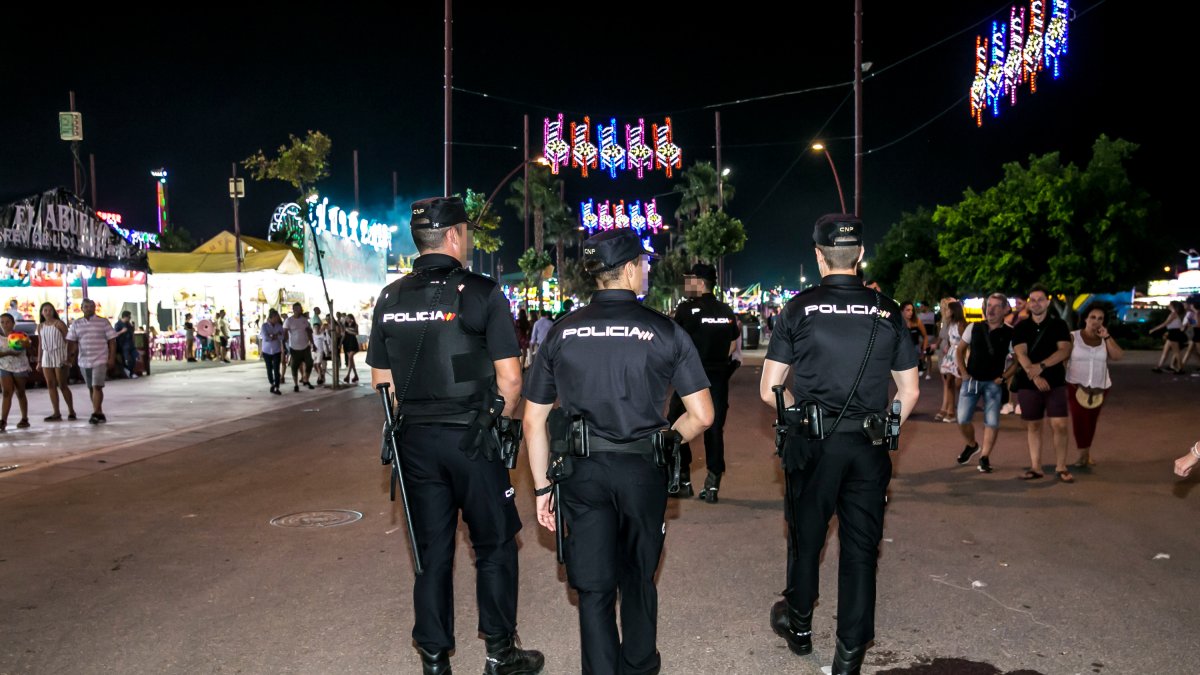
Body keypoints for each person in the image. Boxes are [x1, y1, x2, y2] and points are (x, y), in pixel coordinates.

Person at [524, 227, 714, 675]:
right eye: (642, 263)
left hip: (582, 472)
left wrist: (542, 489)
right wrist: (668, 440)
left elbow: (532, 421)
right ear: (629, 269)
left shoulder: (561, 332)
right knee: (638, 578)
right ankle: (640, 665)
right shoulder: (665, 331)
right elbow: (703, 415)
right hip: (642, 470)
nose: (645, 270)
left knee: (593, 588)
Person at [367, 196, 543, 675]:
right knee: (495, 545)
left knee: (431, 552)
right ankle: (500, 654)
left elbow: (383, 384)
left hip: (415, 443)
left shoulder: (390, 298)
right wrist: (497, 424)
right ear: (452, 236)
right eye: (464, 232)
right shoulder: (483, 293)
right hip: (473, 437)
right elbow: (510, 379)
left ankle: (434, 659)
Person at [759, 214, 919, 675]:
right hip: (868, 447)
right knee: (861, 550)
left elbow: (770, 389)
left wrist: (800, 415)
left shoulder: (798, 309)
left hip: (813, 445)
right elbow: (909, 391)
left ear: (818, 255)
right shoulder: (887, 311)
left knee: (806, 538)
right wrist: (883, 426)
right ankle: (849, 655)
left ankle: (800, 626)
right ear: (861, 254)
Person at [667, 262, 739, 503]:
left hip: (690, 378)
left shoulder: (686, 309)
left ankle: (683, 479)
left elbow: (674, 343)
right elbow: (732, 345)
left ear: (698, 282)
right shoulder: (726, 310)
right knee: (714, 428)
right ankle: (713, 483)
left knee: (677, 424)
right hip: (718, 377)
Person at [1012, 285, 1074, 483]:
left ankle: (1061, 467)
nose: (1036, 303)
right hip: (1029, 383)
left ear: (1047, 302)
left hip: (1055, 381)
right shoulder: (1021, 327)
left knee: (1060, 425)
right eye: (1032, 300)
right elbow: (1021, 353)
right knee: (1033, 425)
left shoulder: (1059, 325)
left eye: (1040, 299)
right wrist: (1035, 376)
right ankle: (1036, 467)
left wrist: (1042, 366)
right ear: (1028, 303)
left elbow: (1064, 350)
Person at [954, 294, 1017, 472]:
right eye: (989, 305)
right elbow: (959, 350)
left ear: (1005, 309)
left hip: (993, 383)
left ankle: (984, 457)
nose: (991, 309)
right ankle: (972, 445)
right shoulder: (974, 327)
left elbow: (1017, 361)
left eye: (996, 306)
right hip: (971, 380)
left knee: (992, 422)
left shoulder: (1010, 333)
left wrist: (1003, 377)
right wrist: (964, 372)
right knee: (962, 419)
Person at [1066, 305, 1124, 468]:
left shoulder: (1104, 339)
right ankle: (1082, 455)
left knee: (1091, 420)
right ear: (1085, 318)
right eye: (1092, 317)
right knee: (1079, 419)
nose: (1096, 321)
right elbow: (1063, 358)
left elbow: (1118, 356)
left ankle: (1086, 453)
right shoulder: (1073, 337)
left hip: (1100, 386)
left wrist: (1107, 337)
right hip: (1076, 385)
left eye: (1100, 318)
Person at [65, 298, 117, 424]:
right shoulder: (77, 324)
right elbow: (71, 341)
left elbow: (112, 340)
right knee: (91, 388)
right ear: (82, 308)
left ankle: (96, 413)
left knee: (97, 386)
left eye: (91, 306)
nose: (89, 309)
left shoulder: (103, 322)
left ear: (95, 308)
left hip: (100, 359)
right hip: (84, 360)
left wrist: (111, 358)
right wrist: (69, 357)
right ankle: (98, 411)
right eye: (86, 307)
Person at [35, 302, 77, 421]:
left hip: (59, 355)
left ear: (53, 311)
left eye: (50, 310)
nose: (48, 312)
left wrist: (69, 356)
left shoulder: (59, 324)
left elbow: (69, 340)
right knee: (50, 384)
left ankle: (71, 410)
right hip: (46, 355)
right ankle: (56, 412)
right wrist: (39, 361)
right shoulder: (40, 326)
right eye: (45, 310)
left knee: (62, 384)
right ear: (42, 313)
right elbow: (40, 344)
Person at [935, 300, 966, 423]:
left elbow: (965, 342)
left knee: (959, 384)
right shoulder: (950, 323)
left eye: (948, 309)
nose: (946, 311)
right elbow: (948, 339)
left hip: (959, 354)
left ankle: (963, 410)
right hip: (951, 354)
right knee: (949, 383)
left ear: (953, 311)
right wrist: (948, 346)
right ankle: (950, 412)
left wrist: (962, 360)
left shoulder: (961, 324)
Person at [0, 313, 32, 431]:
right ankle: (3, 420)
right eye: (2, 322)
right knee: (6, 393)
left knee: (20, 392)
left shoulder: (21, 335)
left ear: (13, 323)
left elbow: (29, 348)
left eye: (7, 322)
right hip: (4, 366)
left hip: (20, 367)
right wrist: (8, 353)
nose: (5, 325)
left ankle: (24, 418)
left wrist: (27, 344)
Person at [1149, 300, 1189, 374]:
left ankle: (1180, 368)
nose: (1168, 305)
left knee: (1176, 352)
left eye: (1170, 304)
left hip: (1174, 333)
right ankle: (1159, 366)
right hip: (1173, 332)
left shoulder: (1173, 314)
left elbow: (1165, 323)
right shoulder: (1174, 314)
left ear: (1173, 306)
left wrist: (1154, 329)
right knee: (1166, 350)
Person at [283, 303, 314, 392]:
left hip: (305, 346)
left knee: (309, 363)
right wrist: (284, 345)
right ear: (294, 310)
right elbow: (285, 333)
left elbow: (309, 332)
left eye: (300, 308)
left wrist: (313, 343)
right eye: (299, 309)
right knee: (294, 366)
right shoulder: (289, 321)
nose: (300, 310)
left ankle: (306, 379)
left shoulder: (304, 320)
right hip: (294, 347)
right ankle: (296, 384)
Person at [259, 309, 285, 394]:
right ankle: (272, 383)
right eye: (276, 317)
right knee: (269, 368)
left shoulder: (279, 326)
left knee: (276, 369)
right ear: (271, 317)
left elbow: (282, 337)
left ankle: (277, 387)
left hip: (277, 350)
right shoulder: (264, 326)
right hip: (266, 351)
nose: (277, 319)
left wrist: (272, 336)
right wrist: (276, 335)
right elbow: (266, 338)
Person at [900, 302, 928, 378]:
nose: (911, 312)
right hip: (902, 351)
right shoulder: (898, 323)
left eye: (912, 310)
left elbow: (925, 336)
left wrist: (924, 349)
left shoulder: (917, 322)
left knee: (914, 375)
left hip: (915, 350)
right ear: (902, 311)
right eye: (908, 310)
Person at [113, 310, 139, 378]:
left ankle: (131, 371)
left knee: (135, 357)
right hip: (123, 345)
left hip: (131, 344)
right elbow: (114, 334)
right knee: (127, 359)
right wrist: (122, 331)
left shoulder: (128, 324)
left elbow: (131, 333)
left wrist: (133, 329)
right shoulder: (118, 324)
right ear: (125, 317)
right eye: (129, 317)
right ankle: (129, 372)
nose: (130, 319)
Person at [341, 313, 360, 383]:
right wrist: (340, 343)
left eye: (348, 318)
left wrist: (349, 331)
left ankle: (348, 375)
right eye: (346, 318)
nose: (347, 319)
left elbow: (356, 333)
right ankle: (355, 375)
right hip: (347, 342)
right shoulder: (345, 326)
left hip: (353, 342)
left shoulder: (355, 325)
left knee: (350, 357)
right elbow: (343, 335)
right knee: (351, 360)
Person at [313, 320, 331, 386]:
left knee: (320, 365)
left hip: (321, 351)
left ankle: (320, 377)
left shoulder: (323, 335)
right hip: (314, 352)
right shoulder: (312, 335)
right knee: (315, 365)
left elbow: (327, 343)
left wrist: (327, 351)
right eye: (315, 328)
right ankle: (320, 375)